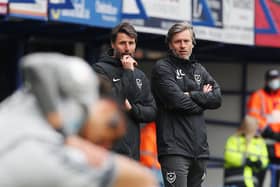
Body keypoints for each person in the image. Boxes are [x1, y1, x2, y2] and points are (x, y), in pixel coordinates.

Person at [0, 52, 158, 187]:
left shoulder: (61, 151)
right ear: (106, 107)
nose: (104, 145)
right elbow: (35, 64)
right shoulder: (84, 87)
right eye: (112, 127)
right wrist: (59, 127)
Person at [151, 22, 222, 187]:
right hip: (174, 150)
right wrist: (203, 99)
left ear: (193, 43)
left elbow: (217, 98)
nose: (182, 45)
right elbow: (177, 101)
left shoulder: (199, 69)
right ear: (170, 44)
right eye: (177, 41)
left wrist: (191, 95)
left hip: (200, 151)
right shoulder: (162, 68)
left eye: (186, 41)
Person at [92, 22, 157, 160]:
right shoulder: (100, 70)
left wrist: (132, 109)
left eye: (131, 43)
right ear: (113, 44)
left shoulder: (139, 75)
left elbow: (152, 111)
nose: (127, 48)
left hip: (133, 152)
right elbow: (112, 101)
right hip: (108, 151)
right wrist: (127, 72)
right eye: (123, 43)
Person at [247, 68, 280, 186]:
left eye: (276, 79)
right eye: (271, 79)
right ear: (266, 81)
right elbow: (253, 117)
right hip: (262, 147)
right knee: (257, 181)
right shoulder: (258, 96)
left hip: (279, 149)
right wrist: (268, 131)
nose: (274, 81)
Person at [224, 115, 269, 187]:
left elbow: (265, 158)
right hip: (234, 180)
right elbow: (229, 155)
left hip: (252, 181)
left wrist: (260, 163)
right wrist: (245, 160)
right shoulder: (234, 139)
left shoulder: (260, 141)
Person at [140, 122, 164, 187]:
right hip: (150, 168)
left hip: (155, 167)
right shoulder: (149, 133)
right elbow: (147, 157)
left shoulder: (153, 132)